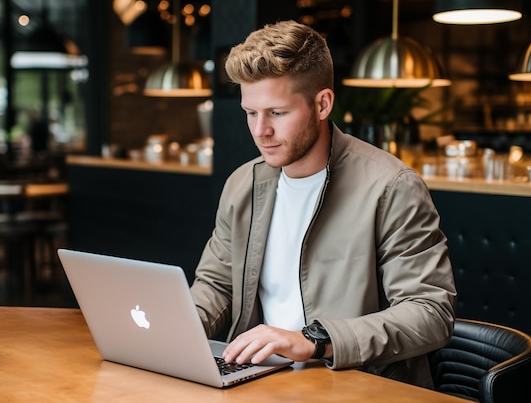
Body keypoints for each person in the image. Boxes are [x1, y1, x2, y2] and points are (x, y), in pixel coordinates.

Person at [189, 20, 456, 389]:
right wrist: (173, 329)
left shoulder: (390, 186)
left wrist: (315, 341)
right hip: (265, 383)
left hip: (357, 385)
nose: (260, 130)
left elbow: (430, 314)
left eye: (277, 113)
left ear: (322, 104)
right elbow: (216, 286)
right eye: (250, 112)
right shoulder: (243, 184)